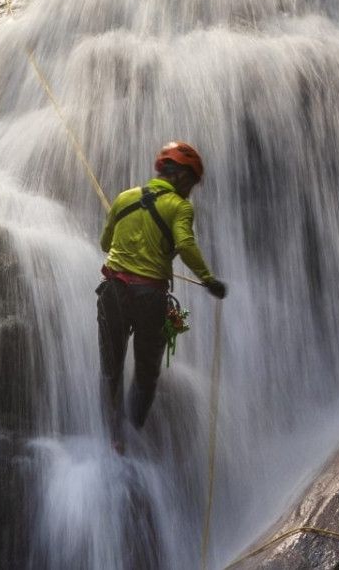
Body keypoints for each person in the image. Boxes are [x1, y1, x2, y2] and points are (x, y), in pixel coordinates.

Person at [97, 141, 227, 453]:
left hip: (112, 292)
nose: (191, 191)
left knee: (110, 367)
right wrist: (208, 280)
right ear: (182, 178)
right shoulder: (180, 207)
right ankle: (129, 434)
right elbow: (184, 244)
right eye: (192, 183)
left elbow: (105, 243)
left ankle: (110, 435)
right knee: (146, 372)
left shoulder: (125, 197)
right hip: (148, 298)